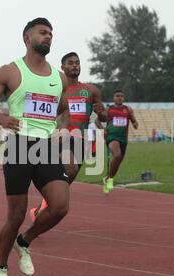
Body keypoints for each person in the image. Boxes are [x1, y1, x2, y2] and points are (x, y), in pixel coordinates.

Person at [0, 17, 70, 276]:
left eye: (51, 33)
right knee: (16, 214)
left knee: (60, 206)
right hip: (18, 145)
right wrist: (2, 120)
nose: (48, 37)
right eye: (43, 32)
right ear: (27, 38)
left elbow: (62, 108)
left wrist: (59, 129)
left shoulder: (58, 77)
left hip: (45, 146)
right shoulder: (10, 71)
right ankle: (0, 266)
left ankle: (24, 241)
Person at [28, 52, 106, 222]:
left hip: (81, 140)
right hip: (61, 137)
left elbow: (104, 117)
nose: (75, 66)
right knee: (69, 169)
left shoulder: (91, 90)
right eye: (70, 63)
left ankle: (39, 210)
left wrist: (101, 114)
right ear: (62, 67)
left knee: (66, 180)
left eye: (77, 63)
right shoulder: (55, 88)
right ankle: (45, 205)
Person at [99, 89, 139, 193]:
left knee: (118, 162)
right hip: (111, 137)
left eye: (121, 96)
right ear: (114, 98)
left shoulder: (128, 109)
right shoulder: (109, 109)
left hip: (123, 138)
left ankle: (109, 178)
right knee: (117, 155)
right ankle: (109, 179)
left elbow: (134, 121)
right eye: (117, 96)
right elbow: (97, 120)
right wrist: (103, 129)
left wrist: (135, 124)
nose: (120, 97)